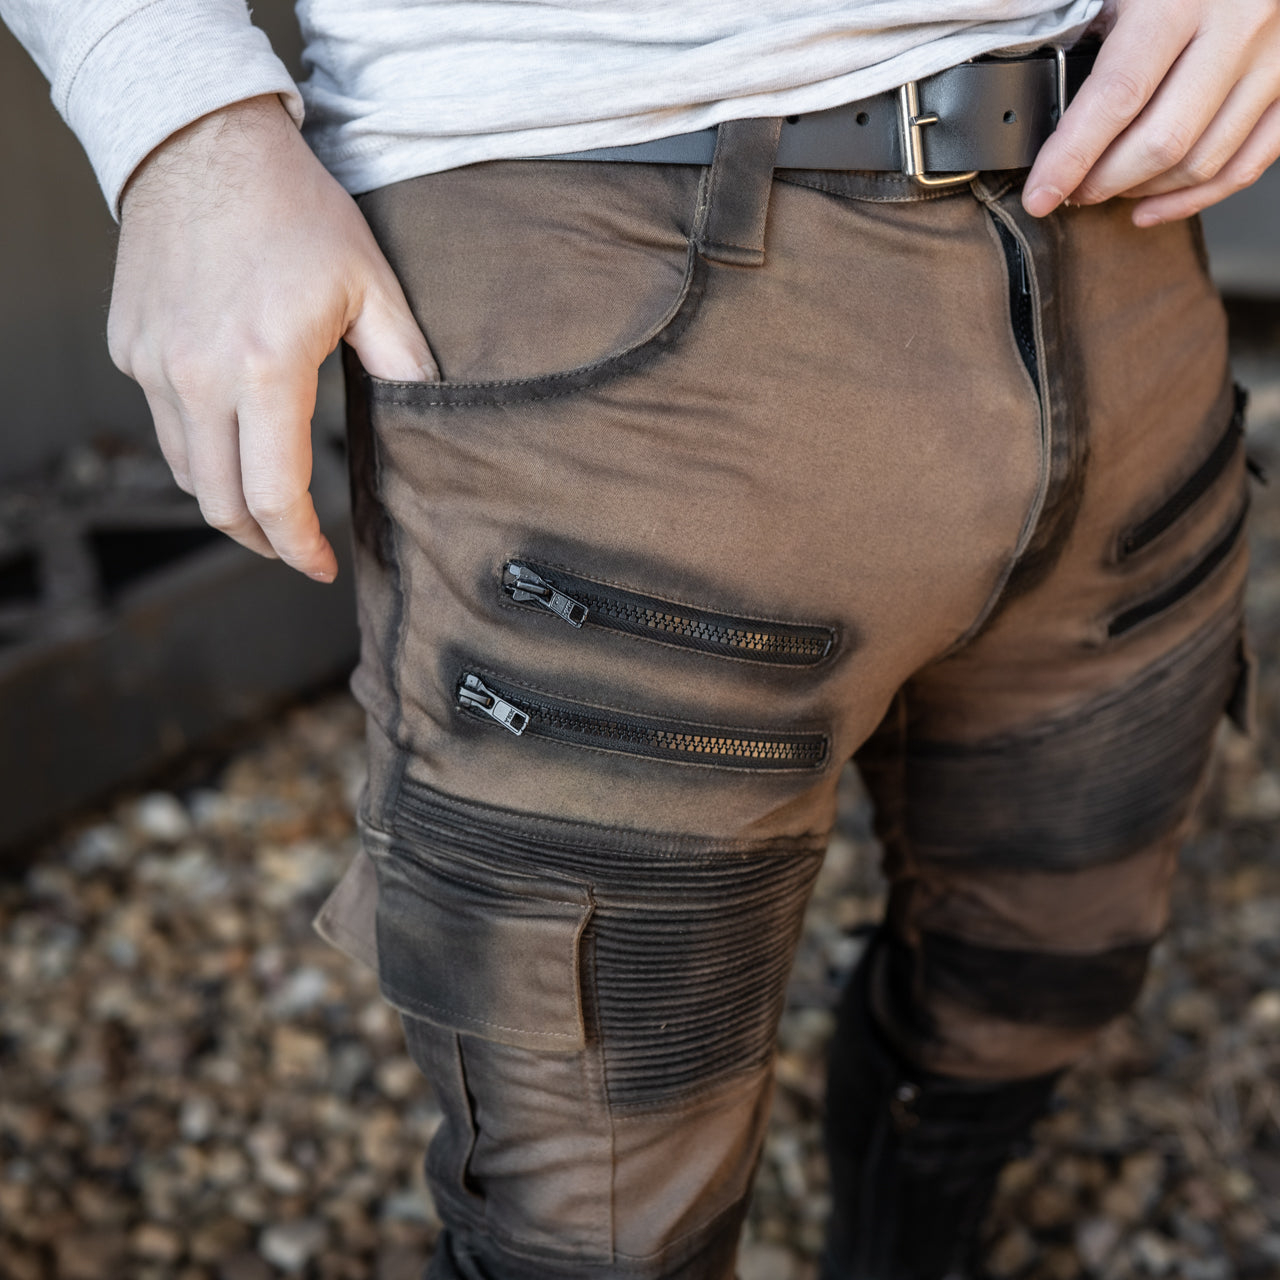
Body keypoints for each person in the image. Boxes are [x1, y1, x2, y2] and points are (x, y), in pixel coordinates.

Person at [5, 2, 1279, 1276]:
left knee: (1040, 976)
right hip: (604, 259)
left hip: (1112, 226)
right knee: (594, 1222)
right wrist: (185, 129)